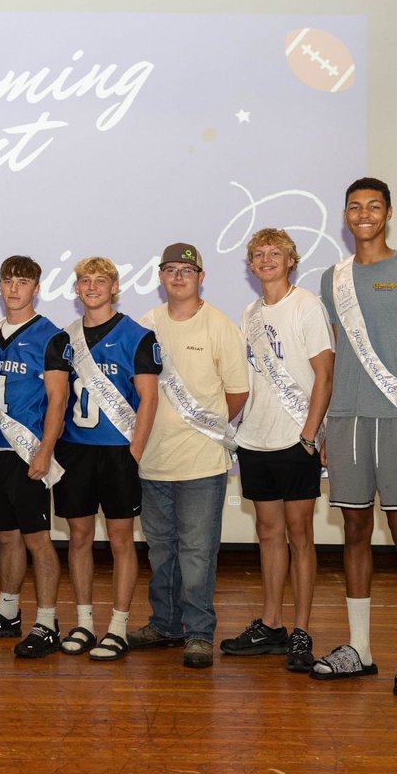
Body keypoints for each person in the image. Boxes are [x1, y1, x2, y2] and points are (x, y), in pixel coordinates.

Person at [312, 177, 397, 697]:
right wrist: (324, 425)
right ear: (345, 215)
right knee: (354, 530)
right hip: (346, 421)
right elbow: (335, 355)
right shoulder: (332, 279)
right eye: (354, 206)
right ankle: (360, 648)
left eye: (373, 206)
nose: (363, 214)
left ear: (388, 212)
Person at [220, 229, 333, 672]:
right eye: (258, 255)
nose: (266, 260)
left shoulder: (306, 306)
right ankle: (271, 625)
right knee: (268, 534)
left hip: (295, 441)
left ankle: (301, 631)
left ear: (291, 261)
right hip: (257, 440)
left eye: (275, 254)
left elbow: (325, 374)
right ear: (250, 265)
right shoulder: (249, 313)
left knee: (300, 535)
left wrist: (311, 435)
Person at [132, 243, 249, 669]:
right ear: (160, 276)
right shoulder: (145, 325)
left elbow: (238, 392)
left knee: (197, 553)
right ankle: (165, 624)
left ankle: (199, 633)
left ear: (201, 276)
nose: (178, 276)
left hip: (202, 462)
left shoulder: (219, 326)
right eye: (170, 269)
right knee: (161, 551)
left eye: (187, 269)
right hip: (152, 461)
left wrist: (206, 429)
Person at [46, 256, 160, 662]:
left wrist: (134, 452)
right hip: (75, 452)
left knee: (120, 540)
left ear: (114, 287)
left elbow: (149, 398)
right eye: (84, 281)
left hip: (118, 453)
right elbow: (57, 400)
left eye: (100, 280)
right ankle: (84, 621)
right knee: (78, 538)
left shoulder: (138, 336)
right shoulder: (64, 339)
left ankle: (118, 626)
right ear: (76, 289)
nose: (92, 286)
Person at [0, 256, 69, 659]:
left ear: (36, 287)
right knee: (5, 536)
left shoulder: (51, 336)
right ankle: (8, 614)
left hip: (28, 454)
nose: (14, 288)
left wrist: (45, 451)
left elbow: (58, 399)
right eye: (8, 281)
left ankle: (48, 621)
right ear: (0, 286)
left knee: (38, 539)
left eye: (23, 281)